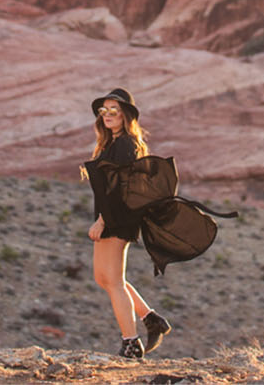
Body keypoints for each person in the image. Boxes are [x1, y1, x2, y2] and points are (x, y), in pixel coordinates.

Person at [83, 88, 172, 359]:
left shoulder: (125, 144)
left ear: (125, 115)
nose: (108, 114)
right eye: (104, 110)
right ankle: (151, 319)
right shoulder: (112, 142)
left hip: (116, 218)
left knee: (113, 282)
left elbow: (119, 190)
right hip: (110, 216)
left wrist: (102, 221)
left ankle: (131, 343)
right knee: (104, 278)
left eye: (114, 110)